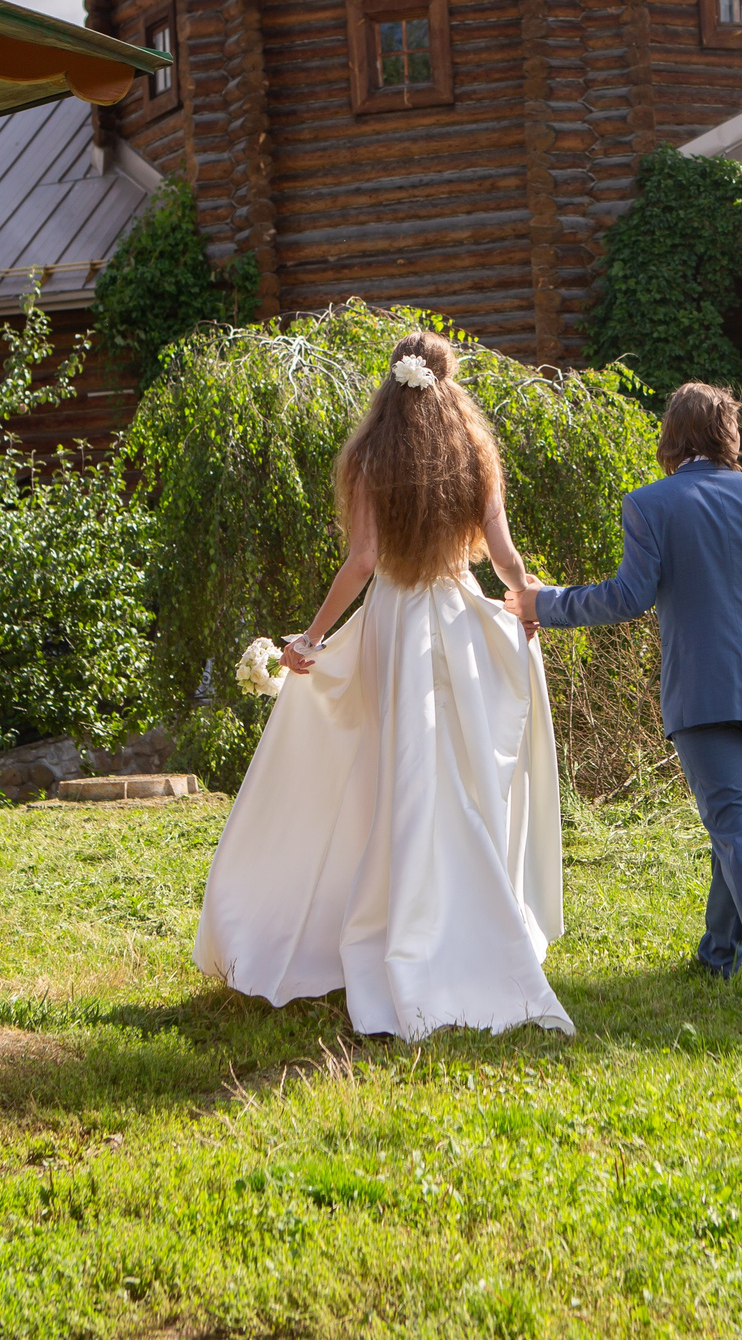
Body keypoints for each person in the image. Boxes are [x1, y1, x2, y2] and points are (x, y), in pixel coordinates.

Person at [192, 333, 571, 1041]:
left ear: (391, 382)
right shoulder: (473, 451)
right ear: (447, 377)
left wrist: (311, 637)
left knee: (399, 766)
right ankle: (464, 912)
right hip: (458, 619)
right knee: (452, 766)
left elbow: (363, 560)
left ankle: (400, 915)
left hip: (395, 620)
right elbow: (500, 549)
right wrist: (528, 600)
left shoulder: (371, 455)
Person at [511, 383, 742, 1024]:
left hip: (701, 693)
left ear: (672, 439)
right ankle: (717, 954)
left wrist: (545, 602)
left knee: (735, 830)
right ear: (729, 435)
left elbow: (627, 597)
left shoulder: (650, 504)